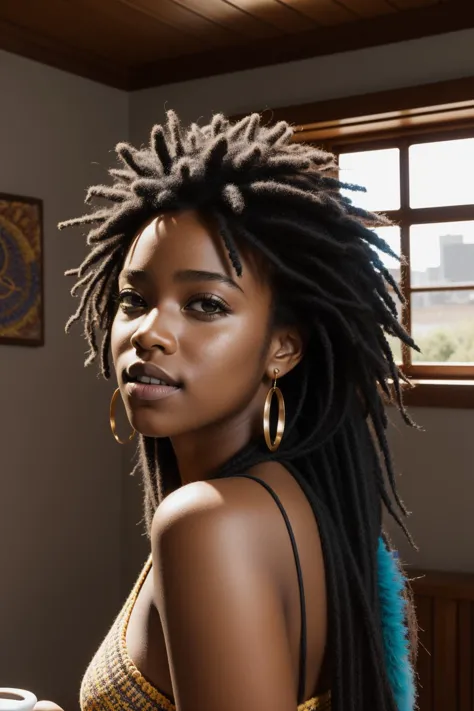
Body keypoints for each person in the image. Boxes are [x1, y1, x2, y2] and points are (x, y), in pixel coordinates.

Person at [36, 111, 418, 711]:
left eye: (206, 304)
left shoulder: (206, 524)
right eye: (134, 299)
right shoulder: (291, 501)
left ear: (282, 347)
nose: (149, 333)